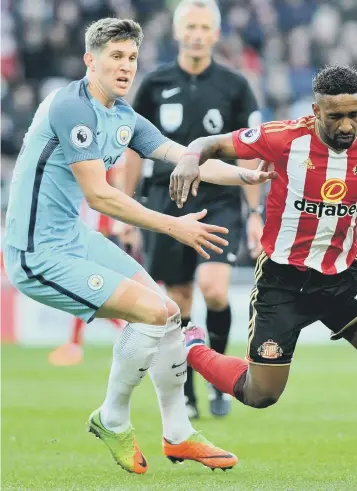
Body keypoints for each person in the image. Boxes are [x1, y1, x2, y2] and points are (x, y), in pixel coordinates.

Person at [3, 18, 274, 474]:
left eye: (131, 58)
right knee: (152, 313)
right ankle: (112, 417)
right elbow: (101, 195)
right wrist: (174, 226)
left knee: (167, 312)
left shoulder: (124, 116)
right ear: (91, 60)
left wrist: (245, 175)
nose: (126, 67)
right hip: (36, 255)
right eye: (116, 57)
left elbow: (182, 157)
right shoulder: (72, 106)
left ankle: (179, 435)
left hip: (74, 239)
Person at [171, 64, 357, 431]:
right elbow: (211, 143)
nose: (346, 125)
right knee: (261, 394)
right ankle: (193, 347)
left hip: (340, 277)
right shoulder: (283, 138)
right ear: (316, 111)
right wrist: (190, 158)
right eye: (336, 116)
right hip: (282, 279)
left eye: (354, 114)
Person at [121, 0, 263, 419]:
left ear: (216, 34)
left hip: (218, 200)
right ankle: (187, 391)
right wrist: (127, 212)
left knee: (215, 289)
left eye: (205, 27)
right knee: (178, 301)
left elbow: (250, 154)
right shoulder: (153, 84)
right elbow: (132, 151)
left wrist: (254, 215)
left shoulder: (236, 86)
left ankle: (221, 380)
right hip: (165, 202)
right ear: (178, 32)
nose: (198, 34)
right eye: (191, 26)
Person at [49, 168, 124, 366]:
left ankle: (123, 331)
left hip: (98, 238)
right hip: (93, 236)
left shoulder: (100, 171)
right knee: (86, 295)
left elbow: (110, 193)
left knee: (87, 295)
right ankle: (76, 344)